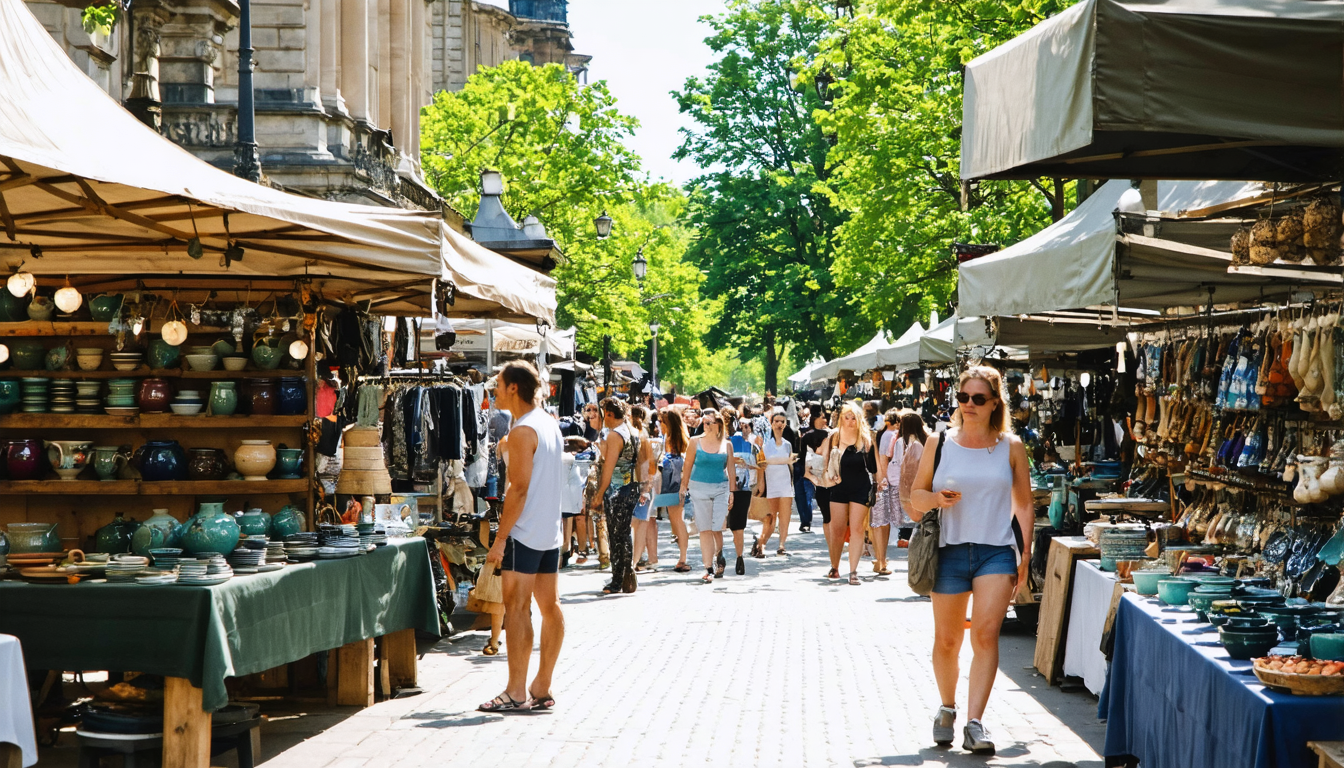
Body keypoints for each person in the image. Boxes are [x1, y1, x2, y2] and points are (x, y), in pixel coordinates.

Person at [909, 366, 1033, 755]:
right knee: (947, 639)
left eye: (979, 398)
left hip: (996, 551)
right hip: (948, 549)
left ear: (995, 402)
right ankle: (947, 707)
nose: (969, 405)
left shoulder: (1011, 446)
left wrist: (1024, 552)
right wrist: (935, 498)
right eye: (963, 398)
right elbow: (915, 498)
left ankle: (975, 723)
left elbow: (1025, 503)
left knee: (984, 635)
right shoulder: (939, 442)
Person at [479, 361, 565, 713]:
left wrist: (500, 539)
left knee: (516, 609)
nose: (495, 389)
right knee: (550, 606)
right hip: (549, 531)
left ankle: (516, 691)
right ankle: (540, 685)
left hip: (525, 532)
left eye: (499, 383)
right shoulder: (547, 424)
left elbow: (518, 490)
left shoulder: (523, 430)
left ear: (514, 387)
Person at [822, 401, 877, 585]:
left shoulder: (865, 438)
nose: (851, 421)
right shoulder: (834, 437)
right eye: (848, 417)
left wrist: (879, 481)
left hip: (860, 486)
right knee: (837, 530)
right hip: (838, 486)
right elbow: (825, 462)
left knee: (857, 529)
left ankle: (853, 571)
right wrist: (827, 479)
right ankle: (835, 565)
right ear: (841, 418)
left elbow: (873, 466)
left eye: (854, 417)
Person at [680, 407, 736, 584]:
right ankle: (709, 568)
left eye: (708, 423)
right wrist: (683, 486)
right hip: (698, 488)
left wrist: (732, 492)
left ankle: (720, 554)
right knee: (704, 528)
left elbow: (732, 470)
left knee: (716, 526)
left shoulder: (726, 444)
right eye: (703, 422)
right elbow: (687, 465)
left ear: (718, 425)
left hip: (721, 488)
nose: (705, 425)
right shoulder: (695, 441)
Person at [593, 397, 643, 595]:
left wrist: (599, 494)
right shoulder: (631, 430)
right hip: (631, 486)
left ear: (610, 414)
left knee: (616, 535)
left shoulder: (615, 435)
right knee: (623, 533)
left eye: (604, 413)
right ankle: (627, 576)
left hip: (616, 489)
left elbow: (609, 468)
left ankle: (617, 579)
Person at [654, 408, 693, 572]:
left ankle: (683, 558)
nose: (659, 425)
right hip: (672, 481)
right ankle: (682, 556)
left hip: (674, 482)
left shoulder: (672, 441)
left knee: (677, 520)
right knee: (675, 520)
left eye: (662, 421)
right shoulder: (674, 439)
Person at [754, 410, 796, 557]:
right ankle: (761, 543)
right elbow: (761, 466)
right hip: (771, 484)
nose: (779, 424)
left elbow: (790, 464)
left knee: (785, 516)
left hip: (785, 483)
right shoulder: (766, 445)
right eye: (777, 421)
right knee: (771, 517)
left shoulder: (788, 445)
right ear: (771, 424)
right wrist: (761, 484)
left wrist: (792, 483)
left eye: (782, 422)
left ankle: (781, 545)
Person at [870, 409, 904, 575]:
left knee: (879, 522)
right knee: (883, 521)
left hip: (880, 480)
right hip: (885, 483)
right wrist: (884, 479)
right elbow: (884, 458)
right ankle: (881, 559)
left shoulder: (883, 435)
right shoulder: (891, 436)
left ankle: (880, 559)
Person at [722, 407, 753, 573]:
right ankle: (738, 557)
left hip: (738, 486)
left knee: (734, 525)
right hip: (736, 487)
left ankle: (734, 557)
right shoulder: (743, 441)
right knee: (736, 526)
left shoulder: (744, 441)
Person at [629, 406, 659, 572]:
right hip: (640, 484)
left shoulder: (640, 437)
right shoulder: (640, 436)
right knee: (639, 524)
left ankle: (634, 561)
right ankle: (634, 561)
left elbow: (648, 463)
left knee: (638, 524)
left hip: (640, 484)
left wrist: (646, 486)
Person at [895, 410, 928, 546]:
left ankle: (907, 537)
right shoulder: (925, 441)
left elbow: (898, 463)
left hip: (908, 486)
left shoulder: (904, 443)